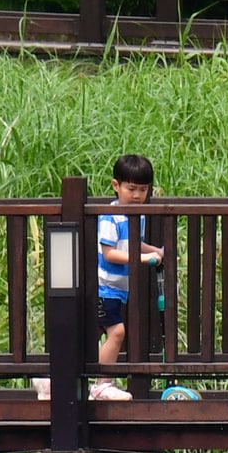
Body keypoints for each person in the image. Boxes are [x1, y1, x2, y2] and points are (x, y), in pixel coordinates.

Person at [93, 153, 163, 401]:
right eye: (131, 189)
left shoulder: (136, 215)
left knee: (94, 335)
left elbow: (134, 243)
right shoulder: (110, 215)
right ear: (116, 185)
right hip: (104, 287)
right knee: (117, 332)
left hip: (118, 288)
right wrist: (142, 258)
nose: (136, 196)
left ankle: (55, 379)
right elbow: (110, 253)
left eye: (143, 190)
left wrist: (154, 250)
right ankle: (102, 384)